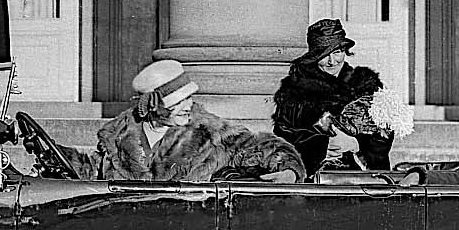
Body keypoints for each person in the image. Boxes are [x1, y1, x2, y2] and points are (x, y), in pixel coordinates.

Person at [56, 60, 305, 183]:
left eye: (189, 98)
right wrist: (60, 157)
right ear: (154, 106)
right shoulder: (118, 135)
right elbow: (95, 171)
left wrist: (289, 170)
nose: (188, 106)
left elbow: (258, 145)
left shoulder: (209, 132)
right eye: (177, 101)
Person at [271, 18, 391, 173]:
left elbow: (385, 132)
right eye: (324, 55)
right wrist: (321, 146)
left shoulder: (364, 84)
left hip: (363, 174)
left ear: (345, 52)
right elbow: (283, 132)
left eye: (337, 53)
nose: (332, 62)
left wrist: (356, 144)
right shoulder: (296, 89)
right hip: (316, 173)